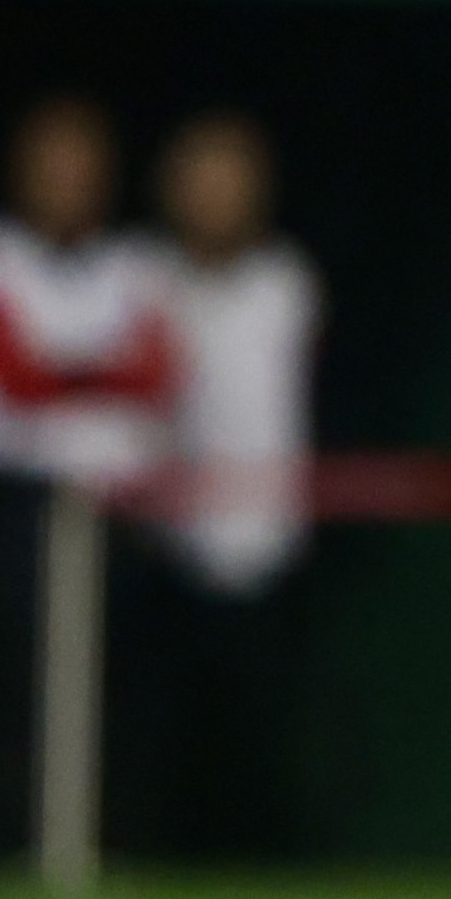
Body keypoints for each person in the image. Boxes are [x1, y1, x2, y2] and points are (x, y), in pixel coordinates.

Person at [0, 94, 169, 854]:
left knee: (116, 690)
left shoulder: (135, 266)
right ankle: (10, 854)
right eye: (53, 170)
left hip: (112, 513)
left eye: (83, 171)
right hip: (12, 509)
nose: (69, 184)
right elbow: (7, 378)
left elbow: (155, 378)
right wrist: (94, 378)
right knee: (18, 691)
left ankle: (112, 852)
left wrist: (63, 374)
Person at [122, 112, 321, 859]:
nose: (215, 197)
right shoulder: (141, 279)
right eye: (200, 181)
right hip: (164, 551)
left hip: (268, 551)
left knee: (262, 745)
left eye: (230, 181)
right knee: (155, 740)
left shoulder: (289, 284)